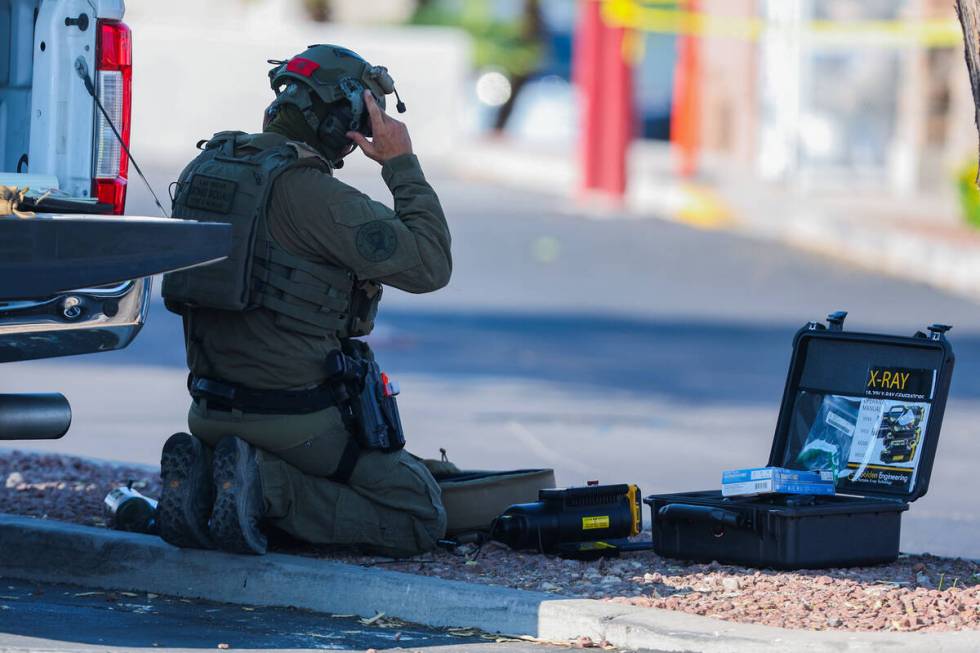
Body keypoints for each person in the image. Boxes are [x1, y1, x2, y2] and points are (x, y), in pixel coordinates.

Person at [157, 45, 452, 557]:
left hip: (207, 406)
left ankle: (212, 479)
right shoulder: (313, 195)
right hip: (294, 421)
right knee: (419, 510)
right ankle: (263, 487)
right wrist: (401, 163)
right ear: (343, 124)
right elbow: (430, 265)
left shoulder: (206, 168)